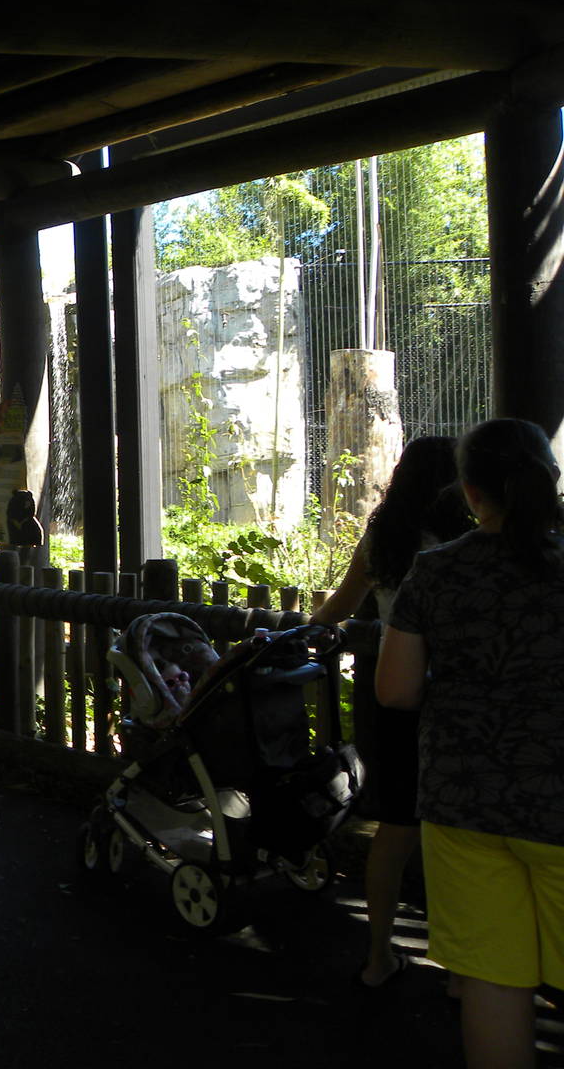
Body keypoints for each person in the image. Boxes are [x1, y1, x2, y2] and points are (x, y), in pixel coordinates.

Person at [378, 418, 564, 1069]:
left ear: (470, 493)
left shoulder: (435, 571)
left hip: (462, 801)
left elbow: (395, 690)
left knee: (493, 982)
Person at [312, 435, 472, 987]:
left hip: (390, 694)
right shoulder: (465, 539)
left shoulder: (385, 537)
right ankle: (462, 969)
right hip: (455, 699)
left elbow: (339, 608)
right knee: (456, 834)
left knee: (396, 829)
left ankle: (378, 957)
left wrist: (307, 629)